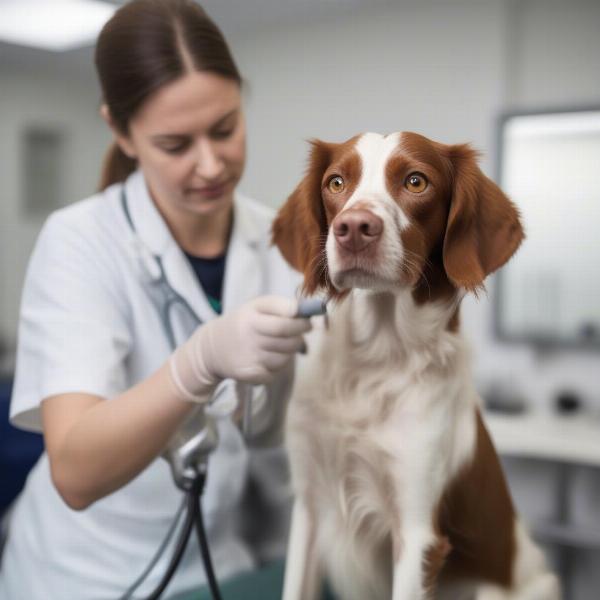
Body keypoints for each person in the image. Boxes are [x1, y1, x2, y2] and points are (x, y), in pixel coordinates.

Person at [0, 1, 311, 598]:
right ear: (121, 131)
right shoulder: (81, 241)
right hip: (81, 575)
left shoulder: (281, 240)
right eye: (175, 144)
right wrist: (197, 364)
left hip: (213, 561)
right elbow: (75, 470)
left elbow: (283, 434)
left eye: (225, 128)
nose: (211, 164)